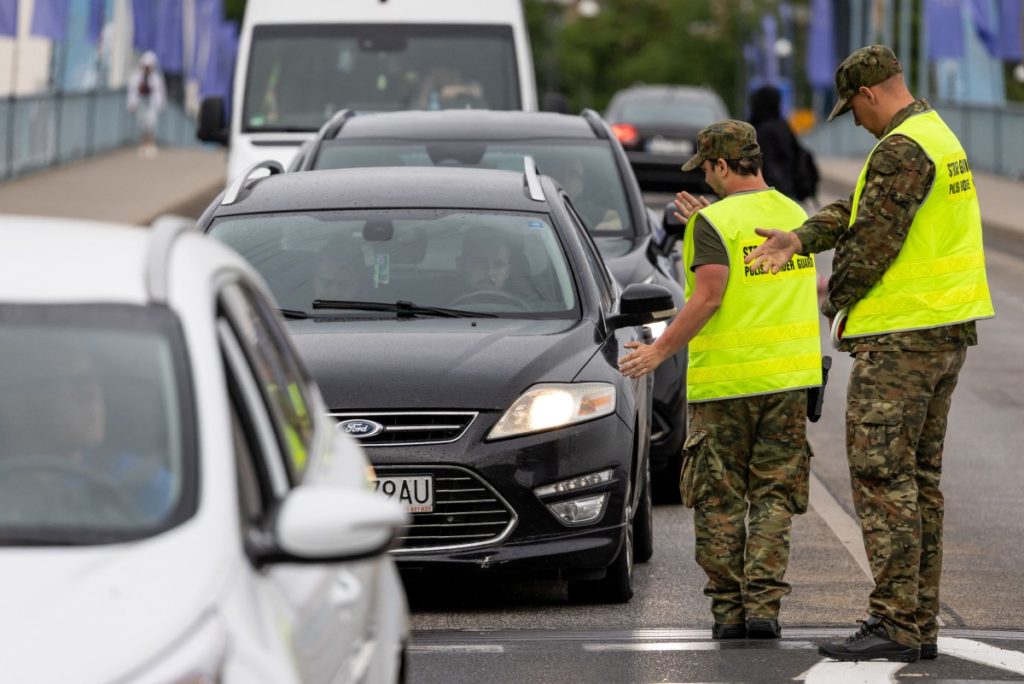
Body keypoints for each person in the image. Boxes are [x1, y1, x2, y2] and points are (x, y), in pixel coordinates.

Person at [744, 45, 995, 662]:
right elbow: (860, 212)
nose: (855, 122)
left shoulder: (901, 148)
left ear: (868, 93)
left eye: (853, 110)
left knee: (883, 478)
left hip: (902, 341)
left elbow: (871, 243)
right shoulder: (936, 136)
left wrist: (834, 304)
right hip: (942, 333)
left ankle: (895, 622)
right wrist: (801, 236)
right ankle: (918, 621)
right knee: (918, 481)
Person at [618, 121, 821, 640]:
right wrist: (711, 221)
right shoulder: (794, 215)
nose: (704, 179)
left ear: (724, 165)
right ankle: (765, 608)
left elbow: (708, 297)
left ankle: (730, 613)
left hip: (727, 389)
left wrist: (659, 350)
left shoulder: (713, 223)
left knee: (718, 499)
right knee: (774, 497)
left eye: (707, 169)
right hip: (788, 383)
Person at [0, 339, 172, 524]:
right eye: (68, 382)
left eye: (93, 379)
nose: (91, 393)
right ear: (15, 405)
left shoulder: (145, 486)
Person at [748, 85, 799, 201]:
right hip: (788, 191)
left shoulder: (763, 130)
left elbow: (766, 163)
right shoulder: (783, 126)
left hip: (770, 193)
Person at [126, 51, 167, 159]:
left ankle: (150, 145)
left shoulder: (155, 78)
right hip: (141, 104)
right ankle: (143, 146)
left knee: (151, 125)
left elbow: (159, 92)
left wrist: (160, 104)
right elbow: (132, 91)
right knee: (141, 125)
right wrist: (131, 103)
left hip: (151, 104)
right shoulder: (136, 77)